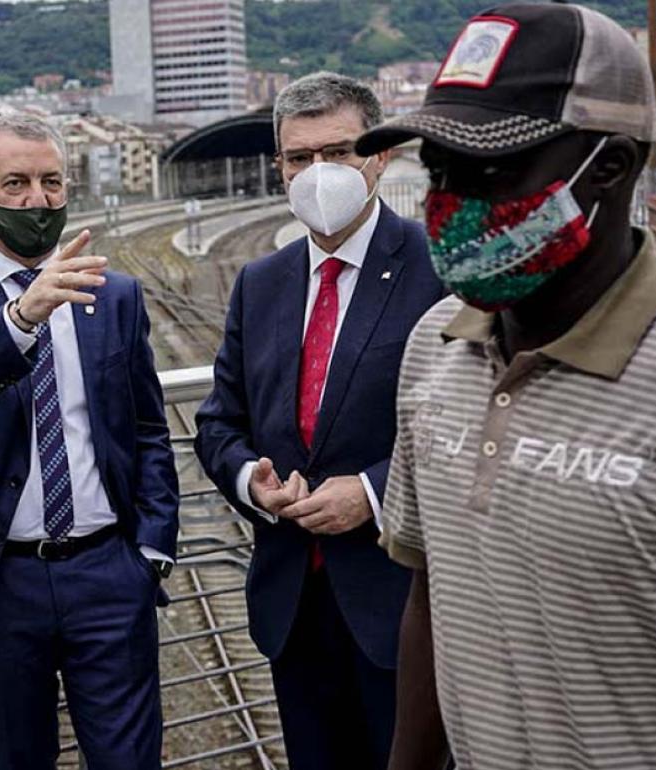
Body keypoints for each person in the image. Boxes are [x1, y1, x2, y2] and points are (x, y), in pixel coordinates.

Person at [354, 4, 656, 769]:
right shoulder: (433, 350)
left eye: (491, 171)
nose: (450, 201)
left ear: (611, 167)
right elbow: (432, 597)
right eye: (439, 170)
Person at [0, 113, 180, 770]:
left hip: (108, 573)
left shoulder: (115, 295)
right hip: (0, 581)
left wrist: (153, 550)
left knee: (130, 759)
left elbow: (147, 426)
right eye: (16, 183)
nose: (38, 200)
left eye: (51, 182)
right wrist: (21, 316)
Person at [194, 72, 445, 770]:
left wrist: (369, 491)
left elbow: (473, 427)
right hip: (293, 603)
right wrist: (251, 481)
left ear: (380, 154)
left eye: (338, 151)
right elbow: (218, 423)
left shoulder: (438, 269)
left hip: (403, 604)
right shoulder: (261, 283)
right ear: (278, 165)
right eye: (298, 158)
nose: (317, 173)